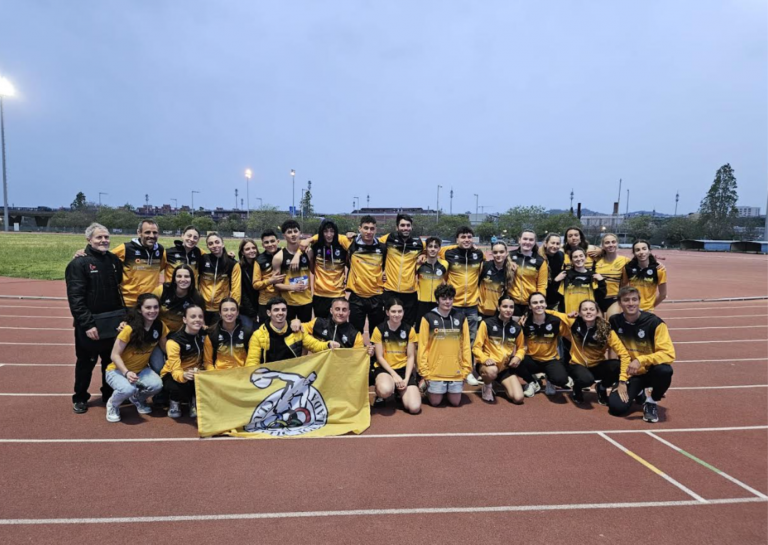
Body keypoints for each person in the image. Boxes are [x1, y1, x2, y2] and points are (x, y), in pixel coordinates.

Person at [65, 223, 124, 414]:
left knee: (109, 362)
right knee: (86, 363)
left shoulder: (113, 260)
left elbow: (118, 288)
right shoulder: (78, 264)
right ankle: (80, 397)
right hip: (90, 325)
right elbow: (76, 298)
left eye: (106, 237)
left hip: (112, 322)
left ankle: (108, 394)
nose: (103, 240)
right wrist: (87, 324)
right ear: (89, 239)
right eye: (99, 237)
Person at [608, 286, 675, 423]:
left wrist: (640, 360)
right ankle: (638, 391)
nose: (631, 303)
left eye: (634, 299)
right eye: (626, 300)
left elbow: (668, 354)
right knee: (616, 409)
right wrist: (620, 380)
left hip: (650, 372)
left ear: (639, 301)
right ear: (620, 303)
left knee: (665, 370)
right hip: (630, 372)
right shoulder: (614, 321)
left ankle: (651, 401)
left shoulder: (655, 323)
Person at [548, 299, 630, 405]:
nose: (588, 312)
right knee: (586, 380)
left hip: (597, 365)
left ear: (597, 312)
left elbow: (624, 354)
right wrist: (532, 311)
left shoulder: (606, 330)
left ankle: (601, 387)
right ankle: (577, 388)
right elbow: (551, 313)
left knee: (617, 366)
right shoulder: (573, 322)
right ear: (579, 313)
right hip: (577, 365)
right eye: (585, 309)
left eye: (591, 309)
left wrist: (622, 380)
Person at [104, 293, 167, 422]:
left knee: (157, 385)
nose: (152, 311)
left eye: (155, 307)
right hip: (117, 371)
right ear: (139, 309)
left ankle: (137, 398)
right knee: (128, 389)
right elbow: (114, 355)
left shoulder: (160, 326)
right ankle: (112, 405)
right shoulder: (129, 329)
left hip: (141, 370)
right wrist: (126, 372)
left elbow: (166, 349)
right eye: (148, 307)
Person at [473, 294, 535, 404]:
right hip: (487, 366)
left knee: (518, 398)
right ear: (498, 308)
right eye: (505, 306)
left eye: (511, 307)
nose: (508, 310)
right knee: (492, 371)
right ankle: (487, 385)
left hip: (505, 368)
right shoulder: (486, 323)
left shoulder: (516, 328)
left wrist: (518, 357)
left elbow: (521, 348)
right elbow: (476, 348)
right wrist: (485, 359)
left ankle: (497, 383)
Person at [417, 284, 472, 407]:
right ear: (437, 300)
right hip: (435, 371)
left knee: (455, 402)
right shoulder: (428, 318)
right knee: (435, 402)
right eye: (444, 299)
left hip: (456, 371)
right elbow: (423, 347)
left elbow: (466, 345)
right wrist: (424, 372)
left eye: (450, 298)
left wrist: (466, 370)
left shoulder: (461, 318)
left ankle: (446, 389)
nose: (448, 302)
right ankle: (427, 386)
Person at [246, 297, 332, 366]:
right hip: (269, 377)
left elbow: (315, 345)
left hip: (293, 374)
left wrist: (329, 345)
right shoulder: (258, 335)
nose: (280, 313)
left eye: (283, 310)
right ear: (269, 313)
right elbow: (252, 362)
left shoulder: (297, 330)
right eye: (276, 310)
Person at [370, 299, 421, 414]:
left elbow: (411, 357)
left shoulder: (409, 330)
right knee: (385, 390)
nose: (396, 314)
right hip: (385, 369)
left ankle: (399, 392)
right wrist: (395, 375)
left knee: (414, 408)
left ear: (403, 312)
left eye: (399, 311)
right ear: (387, 312)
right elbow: (379, 357)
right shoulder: (379, 330)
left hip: (403, 369)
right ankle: (380, 395)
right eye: (393, 311)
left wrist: (406, 379)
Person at [518, 292, 573, 396]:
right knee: (512, 362)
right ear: (530, 306)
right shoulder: (525, 322)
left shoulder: (556, 321)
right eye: (535, 303)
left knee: (561, 380)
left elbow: (570, 338)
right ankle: (533, 382)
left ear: (546, 304)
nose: (539, 305)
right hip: (532, 359)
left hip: (550, 360)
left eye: (541, 302)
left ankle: (550, 379)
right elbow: (519, 343)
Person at [160, 305, 207, 418]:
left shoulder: (205, 335)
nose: (197, 319)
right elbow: (175, 369)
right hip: (173, 373)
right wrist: (184, 375)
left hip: (196, 371)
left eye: (200, 317)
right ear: (185, 320)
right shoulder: (174, 342)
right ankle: (174, 401)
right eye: (193, 317)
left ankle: (194, 401)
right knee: (178, 385)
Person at [379, 214, 424, 325]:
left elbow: (435, 250)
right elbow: (370, 242)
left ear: (411, 227)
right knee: (387, 323)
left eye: (408, 225)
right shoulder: (388, 238)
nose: (405, 228)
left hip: (410, 292)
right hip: (390, 289)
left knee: (408, 324)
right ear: (397, 227)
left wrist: (424, 255)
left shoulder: (419, 244)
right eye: (402, 225)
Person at [346, 215, 388, 335]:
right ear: (359, 228)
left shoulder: (382, 247)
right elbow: (331, 237)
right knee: (355, 335)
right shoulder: (351, 244)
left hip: (377, 297)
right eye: (366, 228)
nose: (369, 231)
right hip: (356, 297)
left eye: (372, 228)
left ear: (375, 230)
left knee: (376, 334)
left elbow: (385, 266)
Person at [111, 220, 167, 308]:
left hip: (151, 301)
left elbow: (162, 266)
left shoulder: (160, 250)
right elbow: (105, 259)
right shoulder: (126, 248)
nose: (151, 236)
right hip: (129, 302)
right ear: (139, 233)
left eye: (155, 232)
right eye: (147, 232)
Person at [272, 220, 313, 322]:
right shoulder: (278, 257)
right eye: (289, 232)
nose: (293, 234)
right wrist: (292, 287)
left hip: (306, 301)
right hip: (288, 303)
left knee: (305, 329)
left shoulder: (309, 252)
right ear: (284, 235)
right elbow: (275, 284)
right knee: (288, 330)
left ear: (300, 233)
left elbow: (314, 271)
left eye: (295, 231)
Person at [309, 220, 349, 320]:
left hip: (338, 294)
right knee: (320, 325)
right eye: (325, 231)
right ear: (321, 232)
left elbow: (350, 265)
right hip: (319, 294)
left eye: (332, 231)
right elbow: (312, 269)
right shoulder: (316, 246)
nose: (329, 235)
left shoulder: (342, 247)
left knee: (337, 324)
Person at [198, 232, 241, 324]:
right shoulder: (202, 259)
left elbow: (236, 289)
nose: (214, 245)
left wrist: (233, 308)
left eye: (217, 242)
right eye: (210, 243)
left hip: (221, 309)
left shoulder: (232, 263)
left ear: (223, 244)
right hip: (202, 307)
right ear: (207, 246)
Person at [152, 264, 205, 334]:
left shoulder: (196, 297)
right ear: (174, 279)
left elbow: (201, 319)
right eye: (179, 276)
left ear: (192, 279)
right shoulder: (162, 290)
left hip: (180, 334)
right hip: (158, 330)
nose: (183, 279)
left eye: (186, 276)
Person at [203, 298, 253, 370]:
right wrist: (214, 374)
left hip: (242, 373)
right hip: (220, 374)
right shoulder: (212, 334)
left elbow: (252, 359)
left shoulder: (247, 332)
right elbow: (207, 362)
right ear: (220, 313)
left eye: (233, 310)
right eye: (225, 310)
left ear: (237, 312)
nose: (229, 313)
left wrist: (247, 372)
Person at [554, 247, 607, 314]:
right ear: (571, 260)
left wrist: (601, 281)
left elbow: (600, 297)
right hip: (569, 314)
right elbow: (556, 296)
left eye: (581, 256)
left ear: (585, 258)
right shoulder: (565, 275)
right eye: (575, 257)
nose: (579, 259)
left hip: (587, 315)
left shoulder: (593, 275)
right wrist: (555, 281)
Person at [508, 229, 548, 319]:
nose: (527, 242)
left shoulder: (540, 261)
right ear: (519, 240)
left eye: (531, 240)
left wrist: (539, 303)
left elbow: (542, 285)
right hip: (511, 302)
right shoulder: (509, 256)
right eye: (525, 239)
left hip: (530, 304)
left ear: (534, 242)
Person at [621, 240, 668, 313]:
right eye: (637, 250)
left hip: (648, 311)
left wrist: (651, 306)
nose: (641, 252)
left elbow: (663, 295)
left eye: (644, 249)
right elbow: (622, 288)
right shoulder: (628, 268)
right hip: (631, 309)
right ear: (634, 253)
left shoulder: (659, 270)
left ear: (649, 251)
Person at [253, 230, 286, 324]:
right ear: (263, 245)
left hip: (285, 298)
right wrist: (270, 280)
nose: (270, 244)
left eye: (272, 241)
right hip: (266, 301)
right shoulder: (259, 260)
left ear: (278, 241)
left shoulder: (285, 253)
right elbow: (255, 284)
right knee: (265, 328)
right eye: (266, 242)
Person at [414, 236, 447, 332]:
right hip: (421, 302)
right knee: (420, 330)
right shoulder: (419, 264)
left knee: (436, 331)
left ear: (439, 249)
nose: (433, 249)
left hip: (438, 303)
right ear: (426, 248)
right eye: (430, 246)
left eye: (435, 247)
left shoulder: (445, 264)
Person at [593, 233, 630, 316]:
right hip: (596, 298)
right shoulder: (596, 259)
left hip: (613, 298)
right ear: (602, 245)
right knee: (598, 322)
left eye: (613, 242)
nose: (611, 245)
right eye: (607, 242)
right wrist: (600, 251)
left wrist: (656, 264)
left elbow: (641, 262)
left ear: (617, 243)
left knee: (612, 320)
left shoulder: (625, 261)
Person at [478, 241, 511, 318]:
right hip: (481, 310)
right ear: (492, 253)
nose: (498, 255)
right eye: (495, 252)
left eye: (501, 252)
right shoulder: (485, 266)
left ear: (506, 253)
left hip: (498, 312)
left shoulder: (510, 270)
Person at [237, 238, 260, 330]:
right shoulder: (239, 267)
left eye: (253, 248)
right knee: (248, 332)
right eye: (247, 249)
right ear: (242, 252)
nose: (252, 251)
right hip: (246, 309)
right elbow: (242, 292)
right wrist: (252, 312)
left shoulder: (261, 263)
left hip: (261, 306)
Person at [539, 233, 565, 311]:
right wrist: (555, 280)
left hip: (554, 298)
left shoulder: (561, 255)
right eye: (552, 243)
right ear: (546, 243)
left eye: (557, 243)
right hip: (541, 296)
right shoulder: (539, 257)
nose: (555, 246)